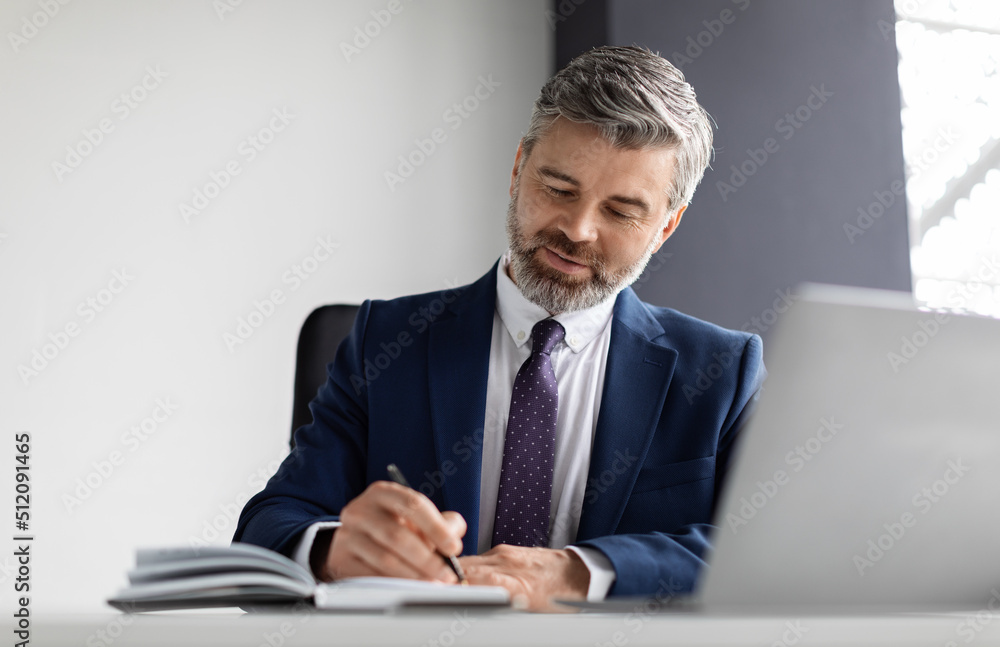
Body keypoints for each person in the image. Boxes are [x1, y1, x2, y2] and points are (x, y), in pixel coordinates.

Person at [234, 45, 765, 611]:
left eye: (620, 212)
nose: (578, 230)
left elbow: (759, 554)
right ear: (518, 169)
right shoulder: (383, 341)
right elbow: (267, 528)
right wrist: (332, 550)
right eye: (558, 189)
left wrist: (578, 573)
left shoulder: (722, 372)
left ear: (666, 226)